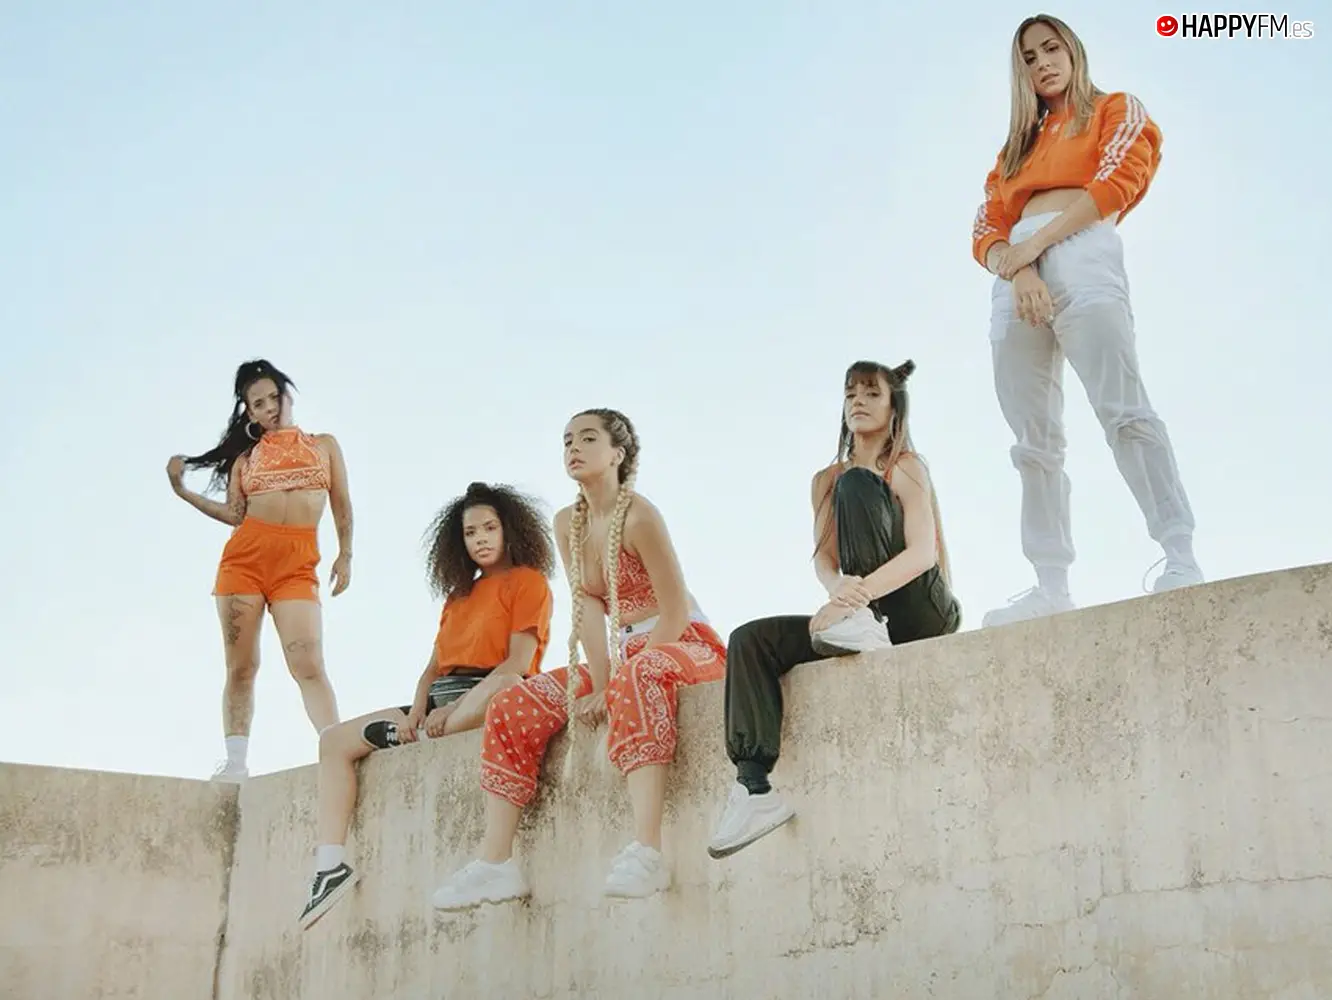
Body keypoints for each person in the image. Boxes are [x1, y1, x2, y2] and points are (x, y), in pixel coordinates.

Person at [430, 408, 727, 910]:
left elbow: (675, 610)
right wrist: (602, 681)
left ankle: (648, 852)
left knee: (640, 674)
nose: (574, 448)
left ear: (618, 453)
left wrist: (619, 682)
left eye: (588, 439)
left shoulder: (640, 516)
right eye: (568, 440)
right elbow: (587, 606)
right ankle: (496, 863)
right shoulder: (567, 522)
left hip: (683, 642)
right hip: (621, 653)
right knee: (515, 704)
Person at [971, 14, 1203, 627]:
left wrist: (1035, 246)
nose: (1042, 63)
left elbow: (1117, 181)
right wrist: (1021, 268)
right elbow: (986, 226)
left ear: (1073, 51)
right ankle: (1051, 584)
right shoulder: (1014, 149)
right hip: (1016, 277)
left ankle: (1179, 552)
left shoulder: (1114, 108)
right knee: (1032, 440)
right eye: (1028, 57)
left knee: (1123, 409)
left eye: (1051, 49)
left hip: (1081, 252)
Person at [707, 360, 960, 860]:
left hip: (921, 609)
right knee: (749, 640)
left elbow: (922, 554)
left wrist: (853, 600)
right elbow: (824, 558)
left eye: (871, 392)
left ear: (894, 407)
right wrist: (838, 592)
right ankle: (754, 789)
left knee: (858, 484)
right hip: (859, 613)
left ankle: (862, 623)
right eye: (850, 394)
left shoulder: (906, 465)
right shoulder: (826, 479)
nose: (858, 401)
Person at [298, 482, 556, 930]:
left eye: (489, 528)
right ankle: (329, 866)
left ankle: (412, 736)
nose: (480, 539)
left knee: (511, 683)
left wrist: (453, 714)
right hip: (438, 706)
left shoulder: (528, 582)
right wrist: (419, 708)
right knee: (333, 741)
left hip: (488, 697)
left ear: (509, 530)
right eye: (470, 532)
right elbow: (432, 669)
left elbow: (517, 663)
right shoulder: (459, 595)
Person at [166, 359, 353, 783]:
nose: (270, 408)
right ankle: (235, 763)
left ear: (288, 397)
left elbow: (341, 502)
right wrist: (182, 491)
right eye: (259, 404)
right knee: (242, 667)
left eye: (275, 398)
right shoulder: (245, 460)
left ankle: (337, 749)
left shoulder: (324, 445)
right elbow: (234, 515)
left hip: (297, 565)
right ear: (249, 413)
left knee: (308, 662)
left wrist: (346, 554)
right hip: (244, 565)